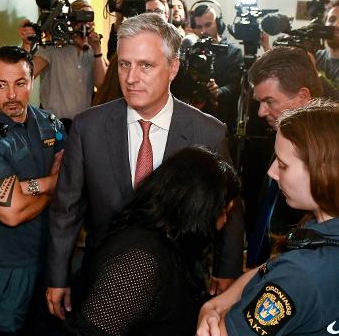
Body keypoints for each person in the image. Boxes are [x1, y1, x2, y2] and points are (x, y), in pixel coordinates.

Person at [46, 13, 245, 321]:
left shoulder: (207, 131)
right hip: (102, 278)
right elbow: (66, 208)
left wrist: (227, 268)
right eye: (124, 64)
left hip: (176, 286)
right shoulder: (89, 126)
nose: (131, 77)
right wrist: (58, 276)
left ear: (173, 68)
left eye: (146, 65)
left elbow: (228, 209)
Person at [196, 99, 339, 336]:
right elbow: (271, 267)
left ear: (322, 172)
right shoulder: (319, 238)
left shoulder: (299, 276)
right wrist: (215, 305)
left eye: (282, 165)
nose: (272, 172)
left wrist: (211, 308)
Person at [64, 147, 240, 336]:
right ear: (197, 210)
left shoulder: (170, 241)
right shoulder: (140, 261)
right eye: (224, 213)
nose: (224, 223)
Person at [0, 46, 66, 336]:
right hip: (6, 267)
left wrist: (30, 189)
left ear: (32, 80)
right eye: (0, 85)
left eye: (20, 83)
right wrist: (52, 184)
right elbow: (12, 212)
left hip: (52, 256)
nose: (12, 95)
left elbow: (75, 176)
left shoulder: (48, 122)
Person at [245, 47, 323, 267]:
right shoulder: (283, 135)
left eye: (269, 101)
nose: (261, 112)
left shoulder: (328, 155)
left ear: (303, 97)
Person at [19, 0, 107, 132]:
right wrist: (26, 45)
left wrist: (97, 50)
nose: (85, 24)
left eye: (89, 19)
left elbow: (102, 85)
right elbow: (24, 75)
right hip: (53, 126)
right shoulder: (52, 49)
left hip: (83, 127)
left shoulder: (93, 50)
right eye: (80, 18)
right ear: (70, 20)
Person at [189, 3, 243, 132]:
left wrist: (218, 91)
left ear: (218, 24)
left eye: (208, 25)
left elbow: (234, 85)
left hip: (221, 118)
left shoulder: (233, 52)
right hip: (193, 117)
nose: (203, 31)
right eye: (199, 27)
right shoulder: (191, 51)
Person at [316, 0, 339, 91]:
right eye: (332, 19)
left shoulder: (312, 61)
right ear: (325, 24)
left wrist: (314, 72)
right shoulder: (314, 55)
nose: (337, 25)